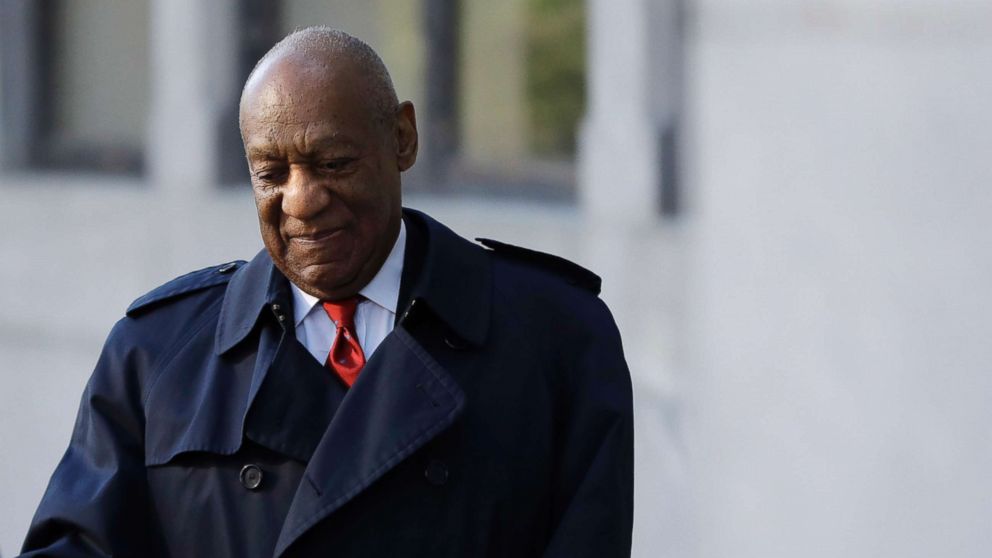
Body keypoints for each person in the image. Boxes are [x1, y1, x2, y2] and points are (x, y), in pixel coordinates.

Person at [21, 27, 633, 557]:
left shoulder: (557, 338)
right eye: (271, 173)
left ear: (402, 139)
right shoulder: (155, 356)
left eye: (333, 163)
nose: (302, 201)